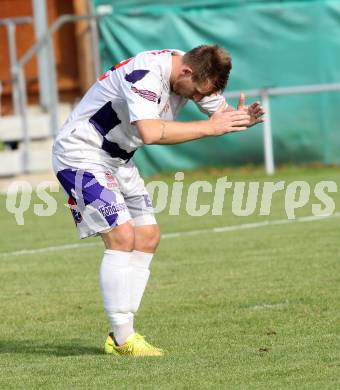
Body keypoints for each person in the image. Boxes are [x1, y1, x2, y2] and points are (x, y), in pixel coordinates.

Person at [52, 45, 264, 357]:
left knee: (148, 237)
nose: (196, 99)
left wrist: (237, 119)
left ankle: (121, 331)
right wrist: (209, 128)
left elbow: (217, 112)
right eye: (195, 93)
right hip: (80, 154)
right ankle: (124, 339)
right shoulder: (146, 74)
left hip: (118, 160)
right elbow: (150, 133)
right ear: (186, 72)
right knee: (122, 236)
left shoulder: (191, 69)